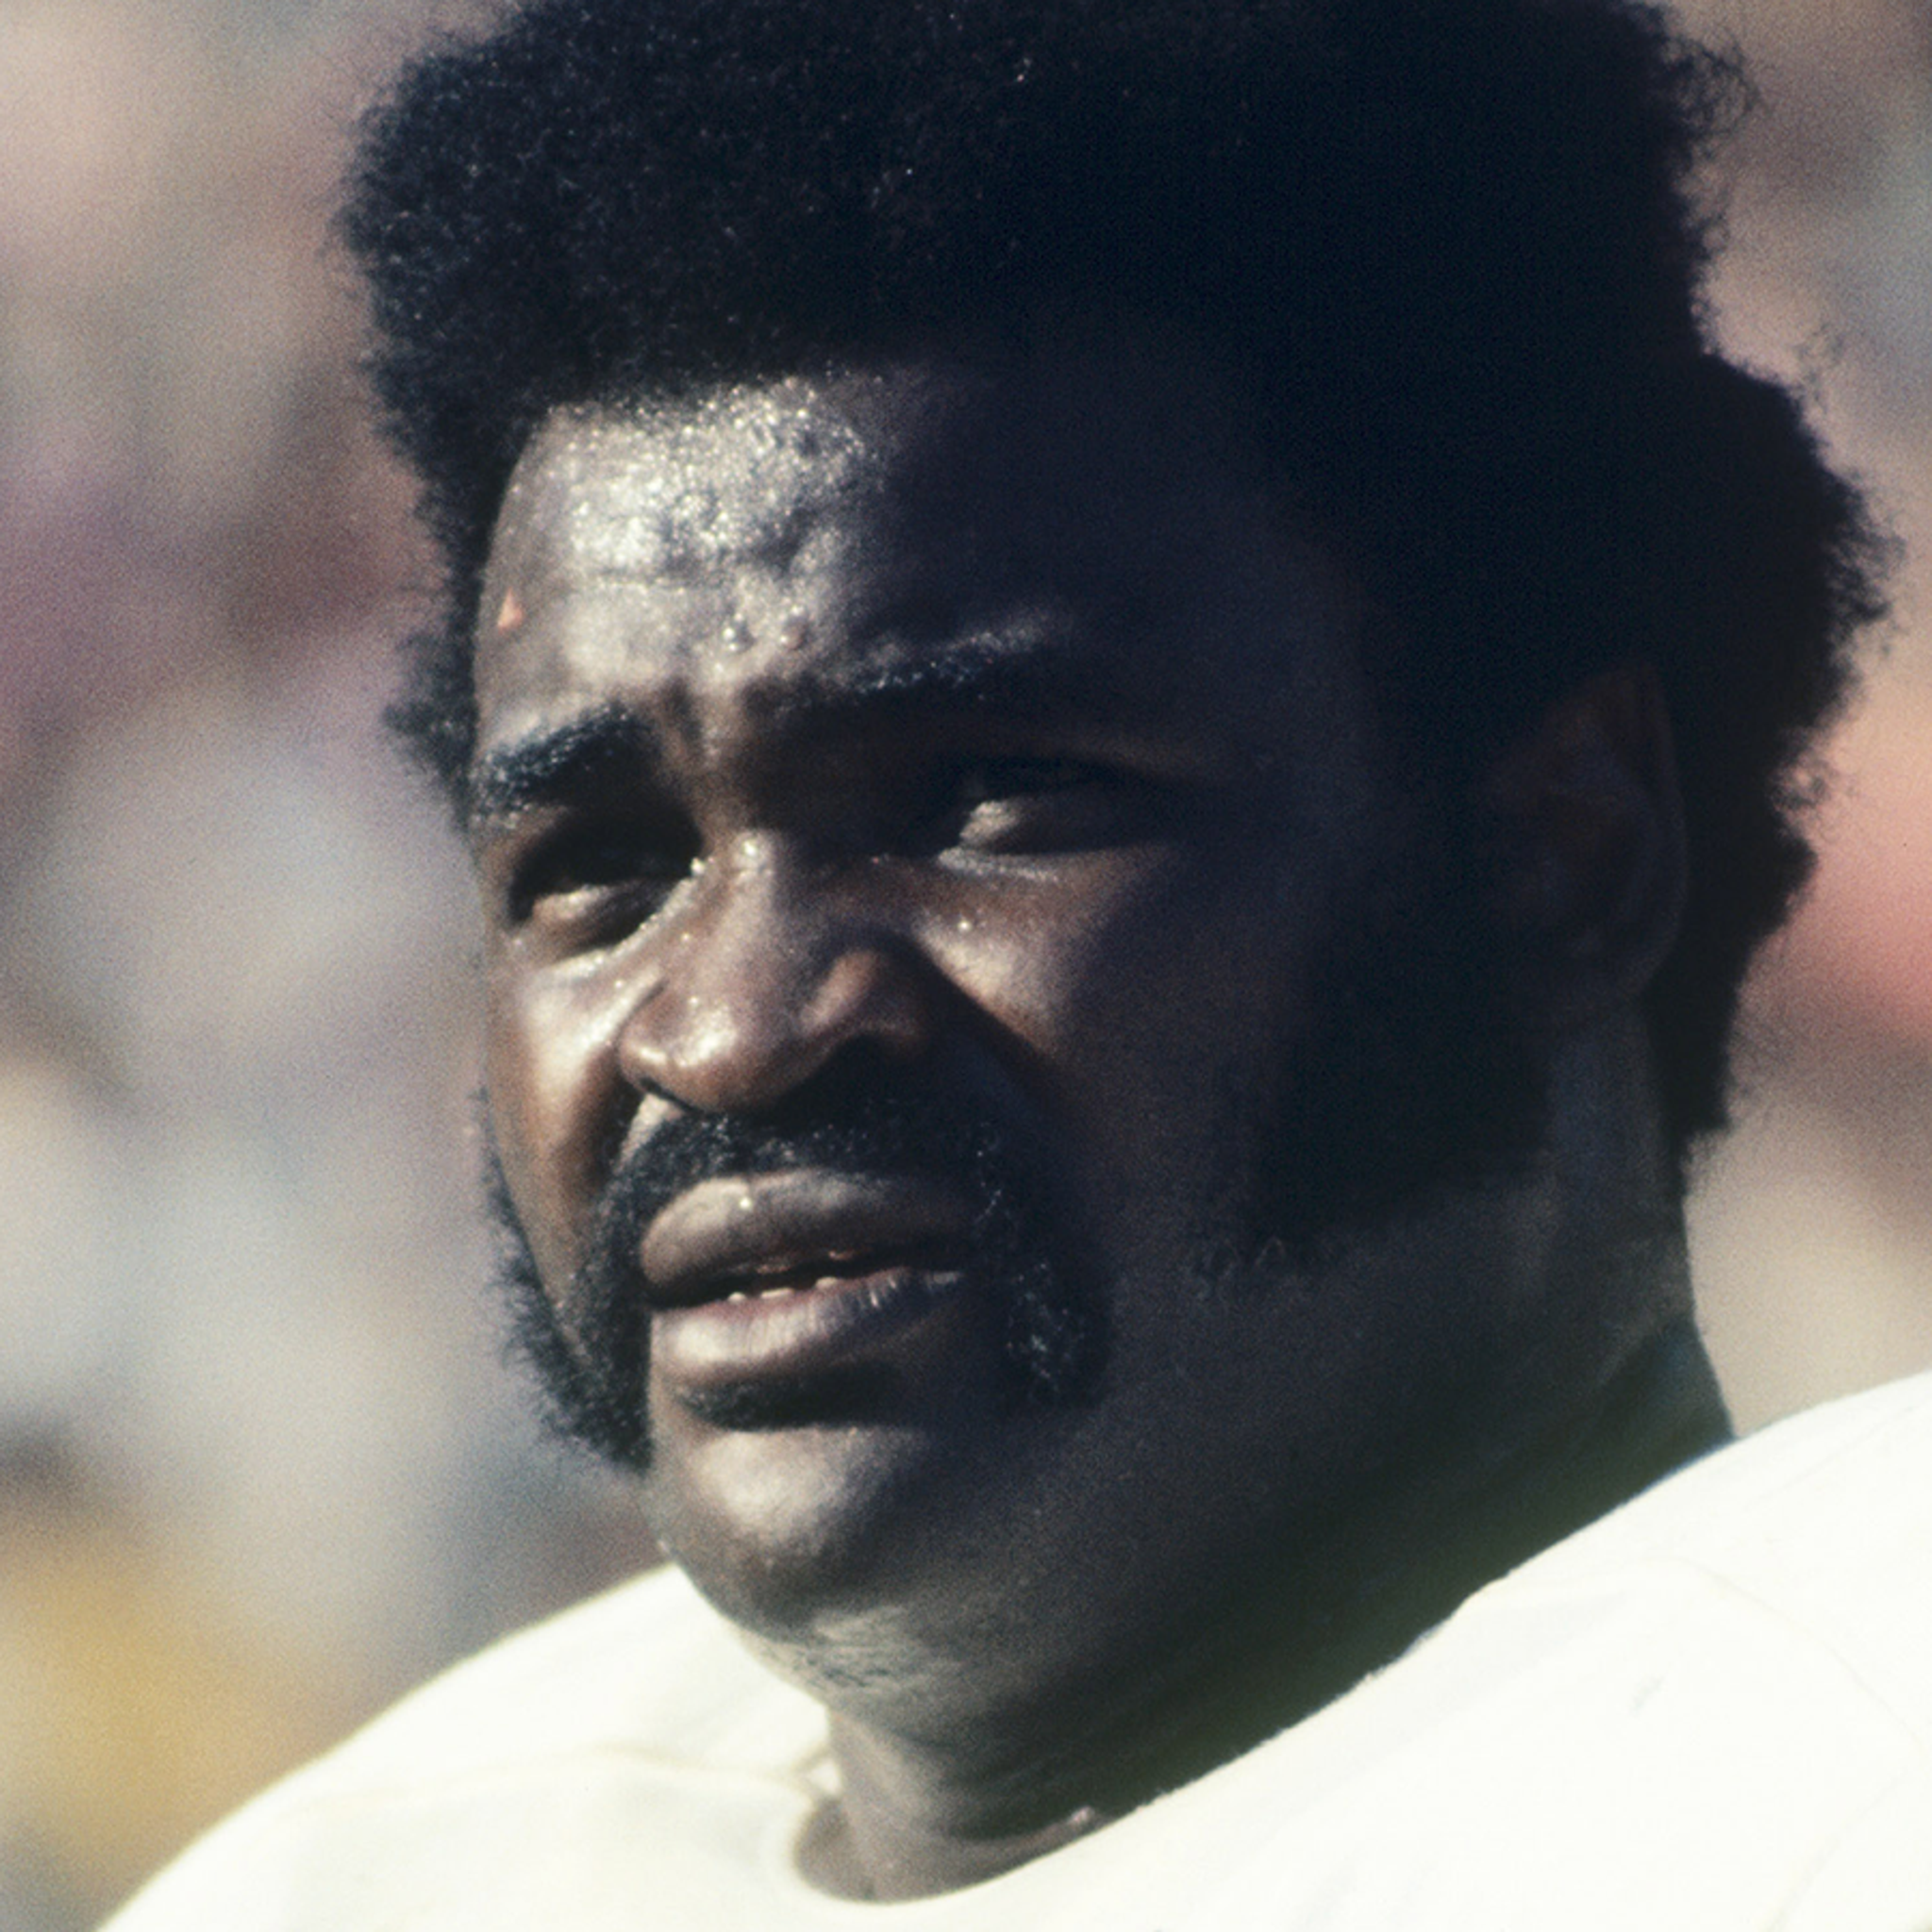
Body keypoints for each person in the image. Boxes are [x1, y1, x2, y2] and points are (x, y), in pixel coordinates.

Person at [106, 0, 1932, 1924]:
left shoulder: (1832, 1770)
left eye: (988, 796)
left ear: (1564, 855)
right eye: (603, 867)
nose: (729, 1027)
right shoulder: (355, 1880)